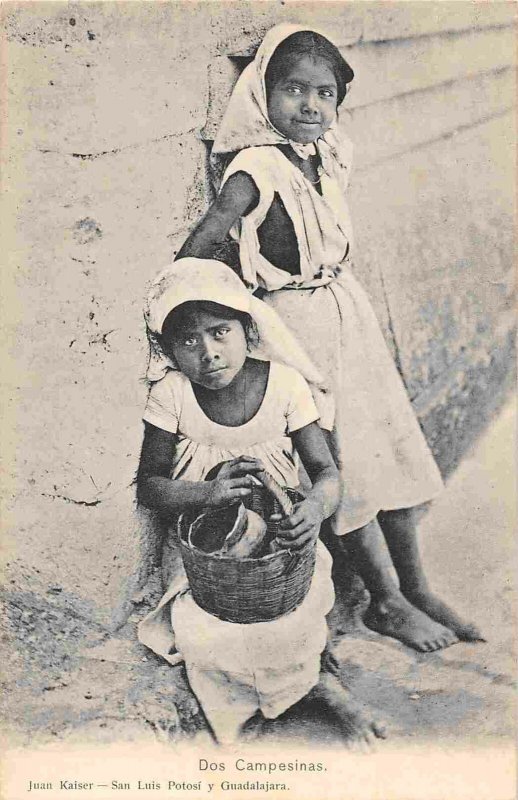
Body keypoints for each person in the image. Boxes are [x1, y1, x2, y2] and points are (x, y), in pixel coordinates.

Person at [176, 24, 483, 651]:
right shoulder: (254, 169)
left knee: (388, 448)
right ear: (263, 94)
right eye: (293, 90)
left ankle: (417, 585)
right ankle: (386, 601)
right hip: (298, 327)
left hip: (347, 312)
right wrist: (235, 316)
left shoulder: (325, 154)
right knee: (343, 461)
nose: (310, 106)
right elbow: (201, 247)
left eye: (324, 93)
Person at [137, 258, 386, 745]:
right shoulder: (172, 393)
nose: (207, 353)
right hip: (205, 550)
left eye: (219, 331)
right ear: (166, 349)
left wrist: (313, 510)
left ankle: (324, 690)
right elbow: (149, 484)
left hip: (282, 542)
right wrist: (205, 493)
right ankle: (253, 710)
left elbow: (326, 474)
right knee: (205, 628)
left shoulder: (285, 385)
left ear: (247, 328)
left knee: (292, 617)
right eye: (187, 341)